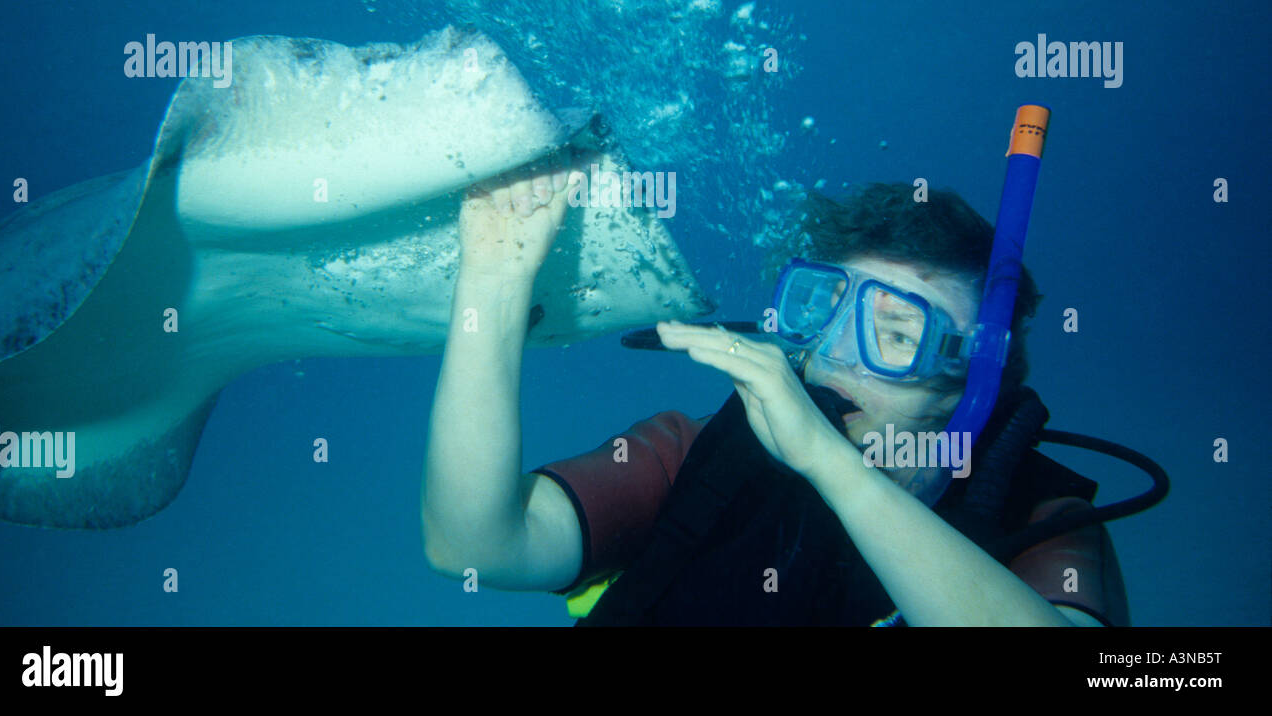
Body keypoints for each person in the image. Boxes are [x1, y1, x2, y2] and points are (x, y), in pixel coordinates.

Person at [421, 163, 1129, 626]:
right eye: (821, 308)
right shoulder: (706, 457)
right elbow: (473, 546)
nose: (832, 354)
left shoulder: (1043, 516)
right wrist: (491, 283)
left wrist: (834, 468)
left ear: (972, 380)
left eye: (893, 332)